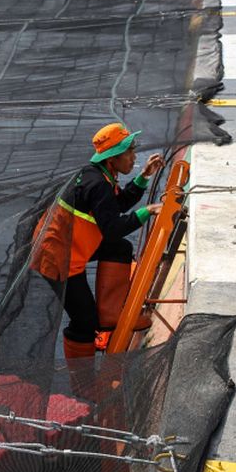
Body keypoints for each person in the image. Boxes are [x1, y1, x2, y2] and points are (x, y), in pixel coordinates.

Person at [30, 123, 165, 358]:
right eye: (129, 152)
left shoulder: (100, 175)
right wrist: (148, 211)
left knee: (119, 248)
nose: (134, 157)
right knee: (84, 321)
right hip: (58, 258)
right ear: (112, 159)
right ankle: (82, 379)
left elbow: (114, 207)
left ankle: (110, 316)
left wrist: (143, 177)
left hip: (73, 246)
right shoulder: (97, 184)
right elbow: (112, 228)